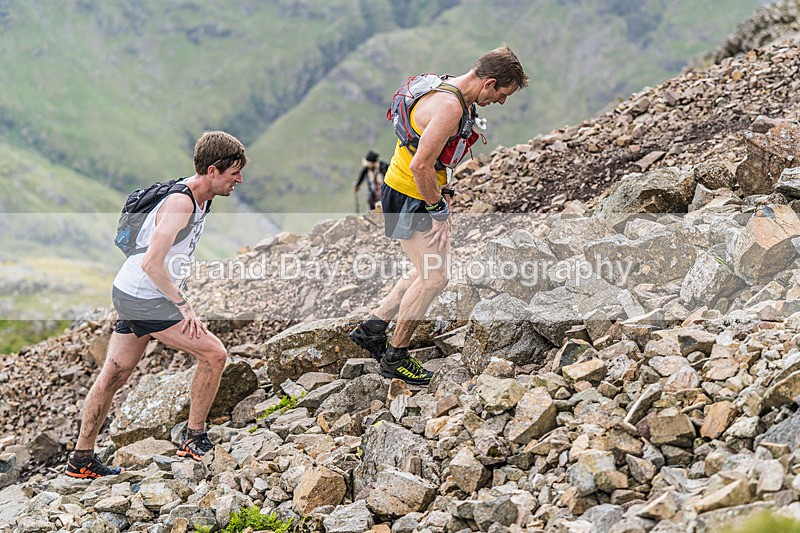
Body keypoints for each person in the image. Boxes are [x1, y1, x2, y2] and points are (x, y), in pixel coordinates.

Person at [65, 131, 247, 478]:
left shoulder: (202, 195)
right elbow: (152, 262)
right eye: (234, 172)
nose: (239, 180)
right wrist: (184, 306)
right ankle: (194, 437)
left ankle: (81, 459)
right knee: (214, 355)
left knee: (115, 372)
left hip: (130, 291)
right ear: (212, 170)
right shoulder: (181, 203)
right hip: (145, 297)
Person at [350, 45, 528, 386]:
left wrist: (441, 195)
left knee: (425, 269)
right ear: (489, 83)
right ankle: (395, 357)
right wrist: (438, 211)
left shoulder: (450, 88)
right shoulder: (449, 107)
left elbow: (430, 160)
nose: (502, 102)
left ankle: (372, 330)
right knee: (435, 278)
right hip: (409, 195)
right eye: (503, 94)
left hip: (414, 191)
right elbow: (420, 166)